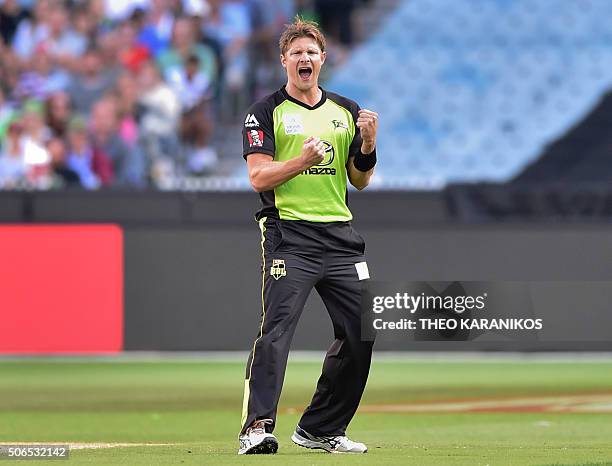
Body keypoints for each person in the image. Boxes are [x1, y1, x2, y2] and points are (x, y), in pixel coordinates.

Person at [238, 17, 378, 455]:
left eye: (311, 53)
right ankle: (256, 428)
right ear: (284, 60)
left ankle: (319, 428)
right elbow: (258, 176)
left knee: (362, 332)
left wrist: (368, 147)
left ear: (323, 59)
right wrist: (299, 162)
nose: (304, 59)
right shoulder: (265, 112)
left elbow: (359, 181)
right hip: (289, 236)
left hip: (339, 238)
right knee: (276, 331)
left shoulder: (346, 111)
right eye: (296, 52)